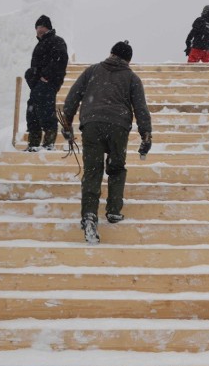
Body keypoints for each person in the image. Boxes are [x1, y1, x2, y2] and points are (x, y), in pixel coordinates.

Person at [62, 41, 152, 244]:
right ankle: (113, 210)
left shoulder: (92, 71)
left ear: (111, 53)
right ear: (128, 60)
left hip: (92, 123)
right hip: (118, 126)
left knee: (93, 171)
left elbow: (72, 97)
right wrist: (146, 135)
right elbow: (141, 109)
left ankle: (89, 216)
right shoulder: (132, 78)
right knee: (117, 168)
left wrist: (67, 124)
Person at [24, 15, 68, 151]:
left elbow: (60, 61)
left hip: (48, 83)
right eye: (37, 27)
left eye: (42, 27)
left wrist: (46, 76)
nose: (39, 30)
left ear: (48, 28)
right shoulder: (40, 44)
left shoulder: (56, 41)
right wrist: (32, 77)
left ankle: (49, 144)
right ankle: (33, 144)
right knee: (32, 113)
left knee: (46, 111)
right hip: (38, 84)